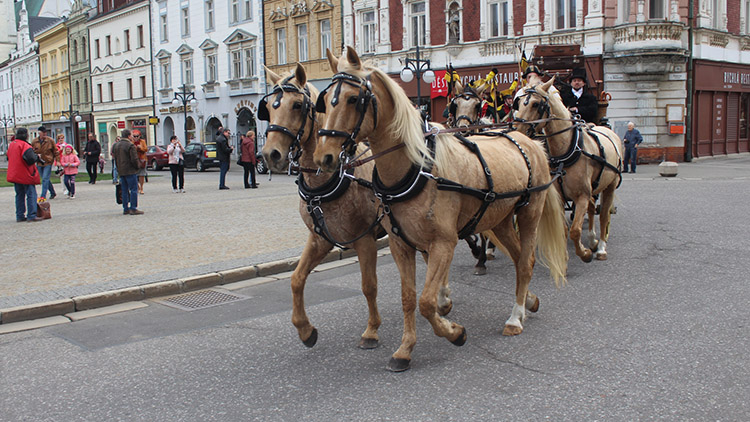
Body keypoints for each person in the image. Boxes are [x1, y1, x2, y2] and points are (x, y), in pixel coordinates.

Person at [7, 128, 43, 222]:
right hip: (25, 173)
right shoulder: (25, 145)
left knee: (19, 195)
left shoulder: (12, 144)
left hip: (15, 173)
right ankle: (32, 215)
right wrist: (36, 157)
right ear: (26, 135)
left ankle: (20, 215)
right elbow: (30, 159)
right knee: (31, 194)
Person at [112, 129, 144, 215]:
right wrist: (138, 166)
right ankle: (133, 208)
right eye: (132, 135)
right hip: (130, 170)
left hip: (121, 170)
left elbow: (115, 158)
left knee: (124, 190)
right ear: (129, 136)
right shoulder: (130, 145)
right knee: (134, 189)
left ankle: (125, 208)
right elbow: (134, 158)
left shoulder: (116, 145)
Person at [31, 126, 59, 200]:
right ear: (39, 133)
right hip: (39, 162)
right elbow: (31, 151)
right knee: (45, 179)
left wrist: (58, 160)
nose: (44, 134)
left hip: (48, 162)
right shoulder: (34, 141)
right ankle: (52, 192)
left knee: (45, 178)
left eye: (45, 133)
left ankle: (43, 195)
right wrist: (36, 155)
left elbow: (55, 151)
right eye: (43, 133)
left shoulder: (50, 140)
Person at [133, 129, 148, 194]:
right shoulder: (131, 142)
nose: (136, 137)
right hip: (134, 160)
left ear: (139, 136)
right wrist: (136, 148)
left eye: (137, 136)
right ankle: (137, 187)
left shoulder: (142, 141)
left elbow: (146, 149)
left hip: (142, 159)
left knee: (141, 174)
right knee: (134, 175)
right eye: (134, 136)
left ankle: (141, 188)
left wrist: (140, 148)